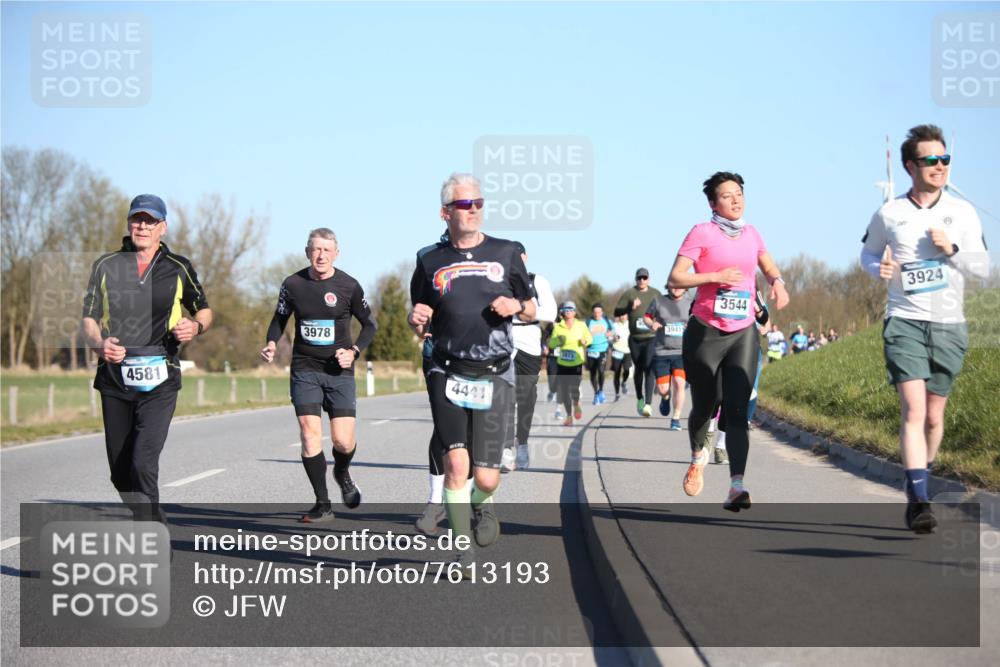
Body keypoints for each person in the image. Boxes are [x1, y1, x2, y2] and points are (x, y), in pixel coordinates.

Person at [860, 124, 989, 533]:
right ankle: (918, 499)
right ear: (910, 166)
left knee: (935, 417)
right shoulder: (890, 213)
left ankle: (921, 475)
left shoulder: (963, 213)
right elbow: (866, 252)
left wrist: (952, 248)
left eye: (945, 159)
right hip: (905, 319)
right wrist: (875, 267)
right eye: (931, 160)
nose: (940, 166)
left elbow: (983, 269)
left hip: (950, 324)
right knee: (914, 410)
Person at [408, 173, 534, 573]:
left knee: (488, 478)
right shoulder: (429, 258)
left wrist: (515, 307)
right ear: (446, 213)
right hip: (446, 369)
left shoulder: (507, 251)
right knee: (456, 466)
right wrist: (416, 317)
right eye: (465, 205)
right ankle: (462, 549)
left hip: (494, 372)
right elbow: (420, 314)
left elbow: (532, 308)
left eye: (479, 202)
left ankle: (485, 504)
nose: (474, 210)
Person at [81, 194, 212, 523]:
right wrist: (99, 345)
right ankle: (154, 519)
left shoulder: (178, 267)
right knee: (121, 475)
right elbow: (88, 317)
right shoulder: (106, 265)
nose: (142, 226)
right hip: (115, 377)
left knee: (143, 462)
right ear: (128, 224)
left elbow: (205, 311)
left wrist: (195, 326)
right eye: (137, 219)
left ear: (162, 228)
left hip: (160, 377)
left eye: (150, 221)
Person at [668, 171, 790, 511]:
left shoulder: (752, 234)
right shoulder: (702, 232)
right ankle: (697, 456)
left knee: (737, 410)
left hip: (743, 331)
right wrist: (714, 276)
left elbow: (767, 265)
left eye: (739, 193)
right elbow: (676, 276)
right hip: (705, 331)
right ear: (713, 203)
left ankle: (737, 486)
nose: (736, 200)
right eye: (727, 195)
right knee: (707, 405)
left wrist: (777, 282)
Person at [261, 228, 376, 523]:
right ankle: (322, 503)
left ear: (336, 253)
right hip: (305, 369)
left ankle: (341, 471)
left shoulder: (349, 286)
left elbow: (370, 326)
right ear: (307, 252)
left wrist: (354, 351)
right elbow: (279, 318)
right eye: (316, 249)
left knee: (342, 441)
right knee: (310, 434)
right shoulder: (293, 284)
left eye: (327, 249)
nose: (321, 255)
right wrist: (272, 342)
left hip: (339, 372)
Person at [504, 242, 557, 472]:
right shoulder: (498, 281)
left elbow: (551, 313)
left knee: (526, 398)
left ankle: (521, 442)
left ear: (525, 258)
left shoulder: (538, 281)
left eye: (518, 256)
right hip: (503, 341)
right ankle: (506, 450)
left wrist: (521, 309)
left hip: (529, 342)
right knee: (504, 395)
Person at [643, 286, 693, 429]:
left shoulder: (690, 303)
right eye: (673, 285)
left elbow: (697, 320)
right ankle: (665, 398)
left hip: (682, 352)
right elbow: (646, 317)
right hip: (662, 352)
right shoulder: (659, 301)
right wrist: (652, 323)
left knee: (679, 384)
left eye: (679, 285)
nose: (676, 288)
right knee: (663, 389)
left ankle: (675, 418)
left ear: (685, 287)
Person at [614, 268, 662, 417]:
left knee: (649, 368)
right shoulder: (629, 293)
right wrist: (630, 307)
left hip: (651, 337)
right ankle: (640, 398)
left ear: (649, 279)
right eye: (639, 278)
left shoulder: (655, 293)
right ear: (636, 279)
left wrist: (658, 322)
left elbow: (664, 311)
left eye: (644, 278)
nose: (642, 281)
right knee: (639, 370)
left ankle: (648, 404)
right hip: (635, 338)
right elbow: (617, 312)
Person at [548, 302, 592, 426]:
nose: (568, 311)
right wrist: (558, 341)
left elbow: (589, 338)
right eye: (566, 309)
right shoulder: (558, 327)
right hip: (562, 363)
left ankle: (576, 403)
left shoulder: (581, 325)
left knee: (574, 388)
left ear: (574, 312)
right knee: (565, 390)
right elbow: (551, 343)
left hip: (577, 362)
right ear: (562, 312)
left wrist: (585, 341)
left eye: (570, 309)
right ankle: (568, 416)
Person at [585, 304, 615, 405]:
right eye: (595, 312)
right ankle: (596, 394)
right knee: (593, 373)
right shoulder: (588, 322)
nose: (597, 314)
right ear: (592, 313)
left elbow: (614, 331)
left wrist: (610, 333)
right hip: (591, 350)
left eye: (599, 312)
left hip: (603, 349)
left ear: (602, 312)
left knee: (601, 370)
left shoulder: (607, 321)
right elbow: (583, 333)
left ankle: (601, 390)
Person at [610, 314, 632, 401]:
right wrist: (613, 338)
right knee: (617, 372)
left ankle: (624, 382)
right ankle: (617, 393)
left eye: (624, 315)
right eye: (621, 315)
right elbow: (609, 337)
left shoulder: (630, 324)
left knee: (627, 370)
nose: (622, 317)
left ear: (627, 316)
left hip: (628, 351)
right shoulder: (614, 325)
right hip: (617, 350)